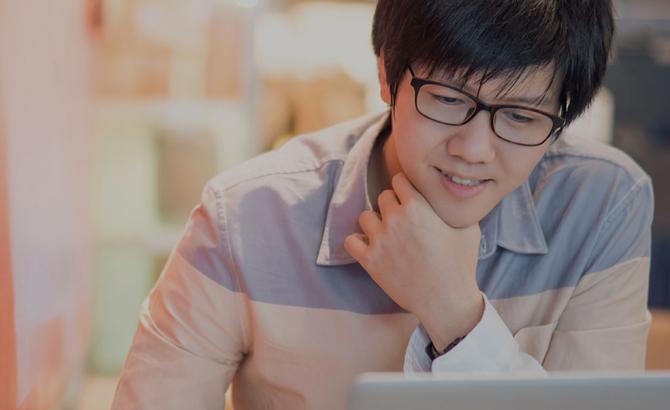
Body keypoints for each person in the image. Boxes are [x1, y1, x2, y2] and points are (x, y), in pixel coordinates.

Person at [112, 1, 654, 409]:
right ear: (385, 75)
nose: (474, 150)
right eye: (447, 99)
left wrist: (457, 317)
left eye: (521, 116)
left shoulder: (602, 205)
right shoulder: (247, 217)